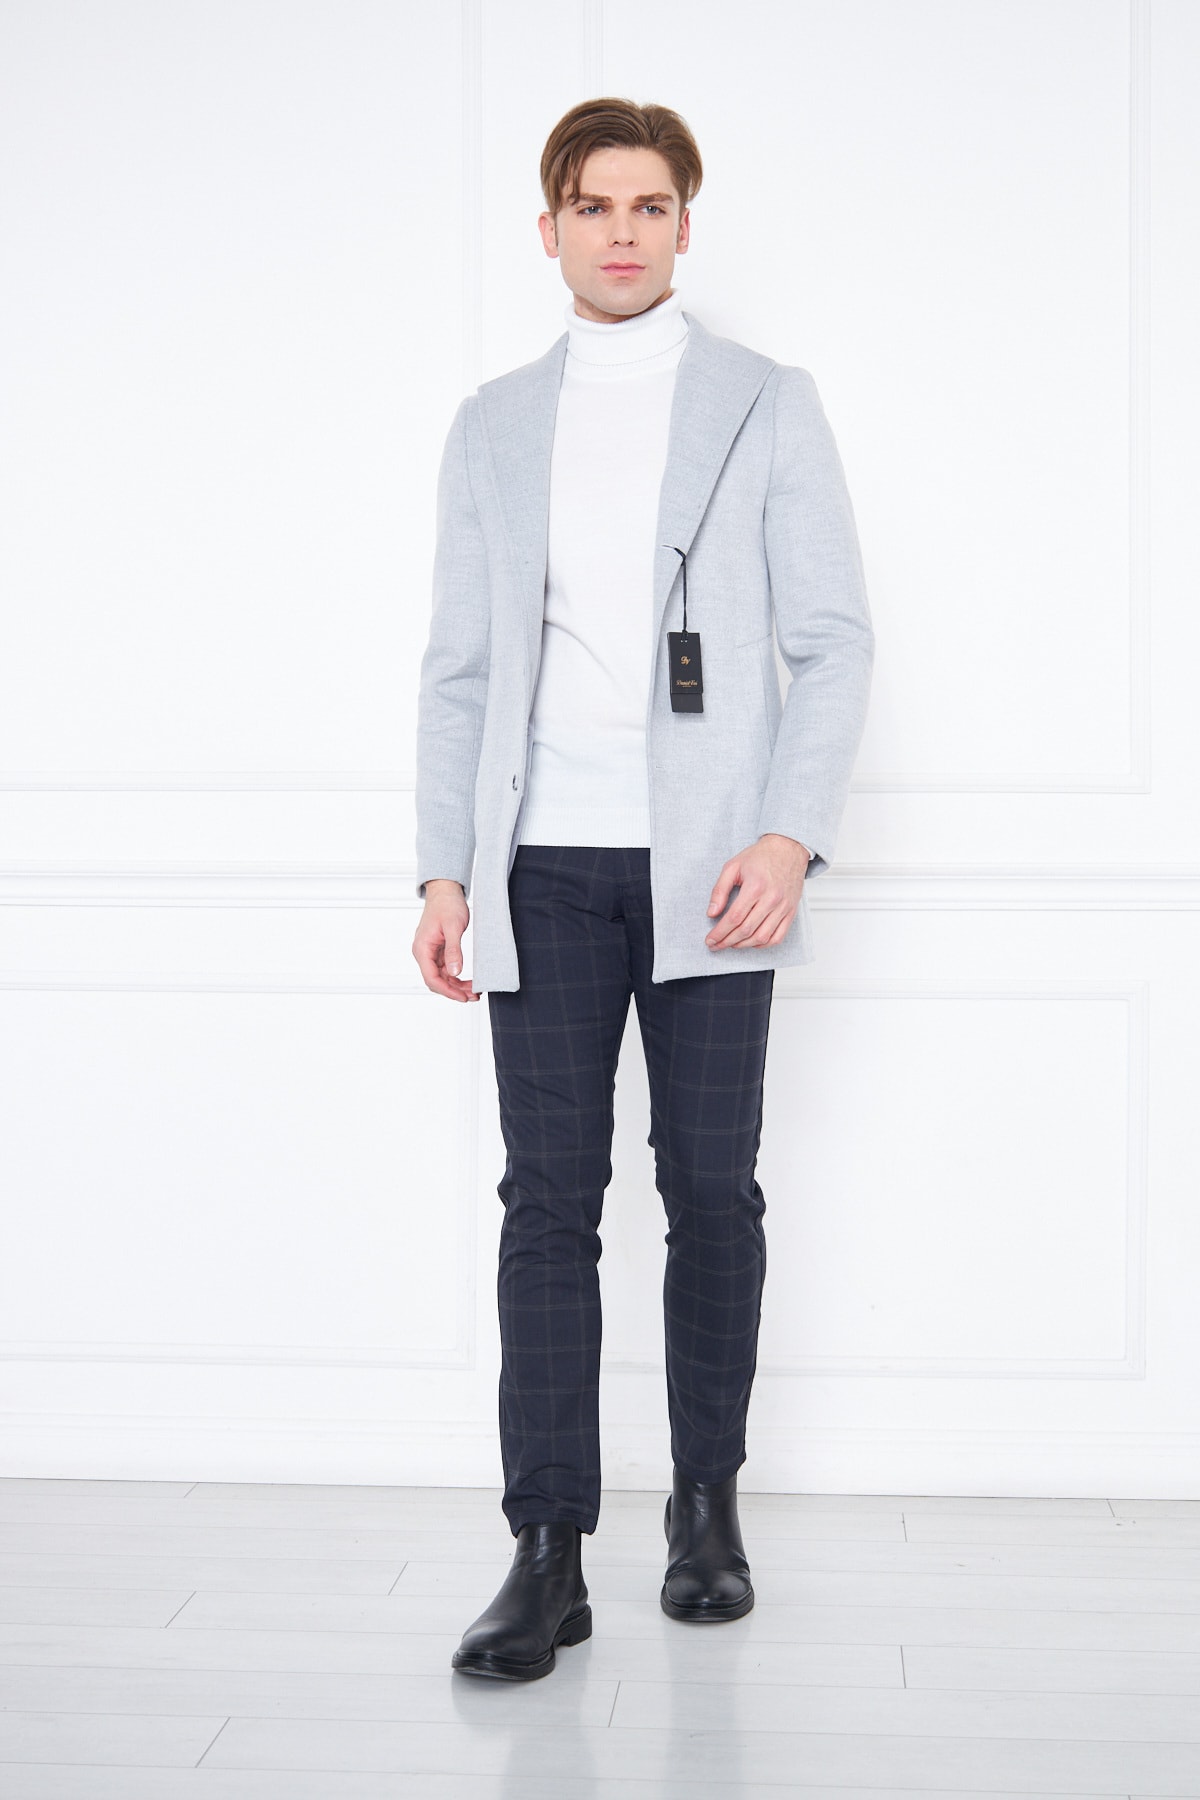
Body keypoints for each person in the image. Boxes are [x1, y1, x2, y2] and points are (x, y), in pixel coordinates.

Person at [412, 96, 874, 1681]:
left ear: (685, 223)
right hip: (539, 868)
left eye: (650, 205)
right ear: (549, 229)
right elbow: (460, 667)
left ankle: (705, 1509)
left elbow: (834, 643)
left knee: (711, 1191)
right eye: (594, 206)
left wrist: (788, 835)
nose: (622, 231)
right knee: (547, 1204)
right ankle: (546, 1551)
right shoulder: (491, 424)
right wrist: (442, 867)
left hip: (715, 876)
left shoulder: (765, 403)